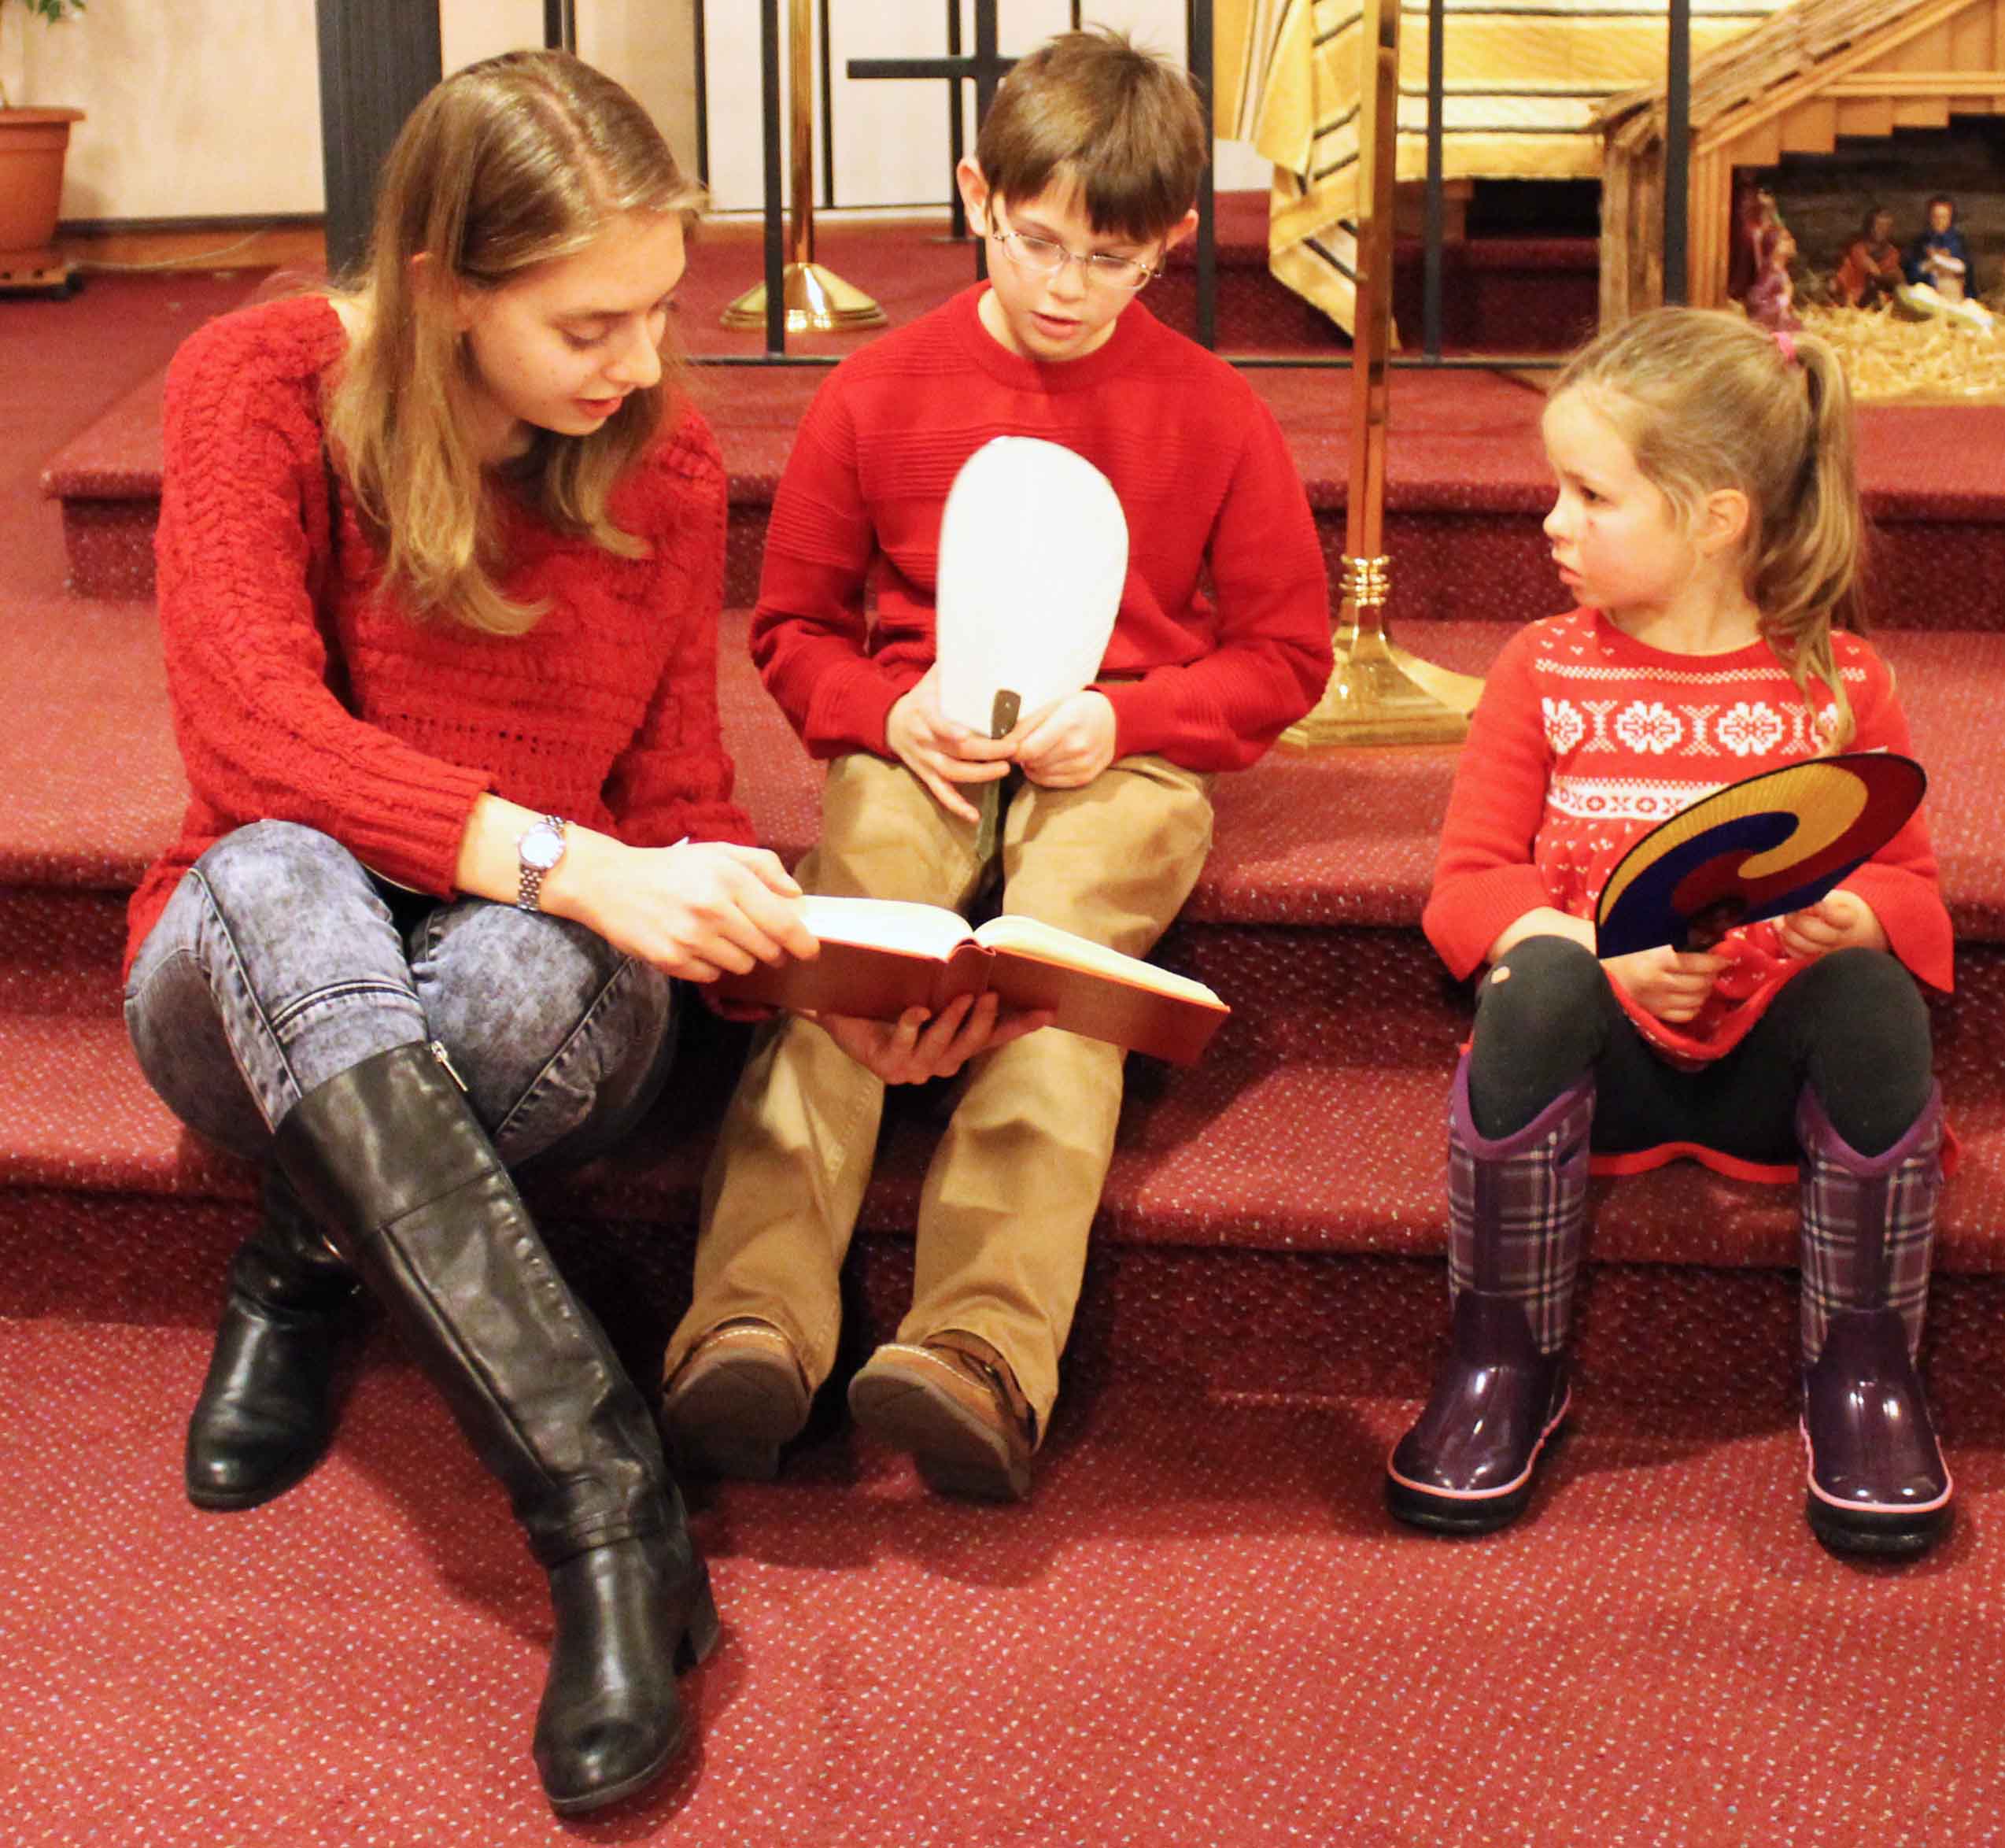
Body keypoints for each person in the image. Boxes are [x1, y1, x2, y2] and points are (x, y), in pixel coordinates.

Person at [124, 50, 818, 1815]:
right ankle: (603, 1500)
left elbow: (678, 788)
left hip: (527, 1001)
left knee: (518, 969)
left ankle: (307, 1249)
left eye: (659, 309)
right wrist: (569, 863)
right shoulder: (258, 385)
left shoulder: (662, 466)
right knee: (283, 867)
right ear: (443, 286)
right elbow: (250, 737)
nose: (639, 363)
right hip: (247, 968)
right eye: (589, 323)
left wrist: (796, 959)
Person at [657, 27, 1332, 1503]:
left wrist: (1134, 722)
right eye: (1035, 242)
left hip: (1124, 753)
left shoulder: (1215, 411)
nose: (1065, 286)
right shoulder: (875, 389)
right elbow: (790, 627)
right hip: (924, 736)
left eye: (1111, 259)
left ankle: (981, 1351)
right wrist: (881, 710)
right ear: (977, 194)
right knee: (846, 942)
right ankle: (751, 1323)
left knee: (1057, 968)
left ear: (1170, 242)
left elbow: (1287, 655)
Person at [1387, 309, 1955, 1558]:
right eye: (1559, 489)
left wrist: (1857, 916)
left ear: (1717, 518)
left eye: (1594, 496)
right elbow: (1467, 887)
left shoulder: (1840, 682)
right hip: (1604, 1077)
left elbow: (1915, 892)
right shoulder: (1541, 668)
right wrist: (1593, 951)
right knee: (1532, 983)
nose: (1554, 521)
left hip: (1768, 1077)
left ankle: (1866, 1379)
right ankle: (1503, 1364)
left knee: (1875, 1000)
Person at [1832, 205, 1902, 309]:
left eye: (1887, 227)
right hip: (1854, 296)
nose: (1883, 230)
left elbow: (1892, 276)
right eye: (1879, 226)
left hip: (1878, 299)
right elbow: (1873, 271)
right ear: (1870, 227)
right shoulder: (1858, 249)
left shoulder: (1892, 253)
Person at [1905, 194, 1972, 302]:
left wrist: (1940, 261)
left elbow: (1965, 269)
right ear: (1929, 217)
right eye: (1935, 217)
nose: (1939, 221)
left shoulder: (1958, 241)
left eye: (1944, 217)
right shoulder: (1921, 242)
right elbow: (1912, 272)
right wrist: (1929, 265)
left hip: (1953, 295)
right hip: (1927, 295)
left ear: (1951, 218)